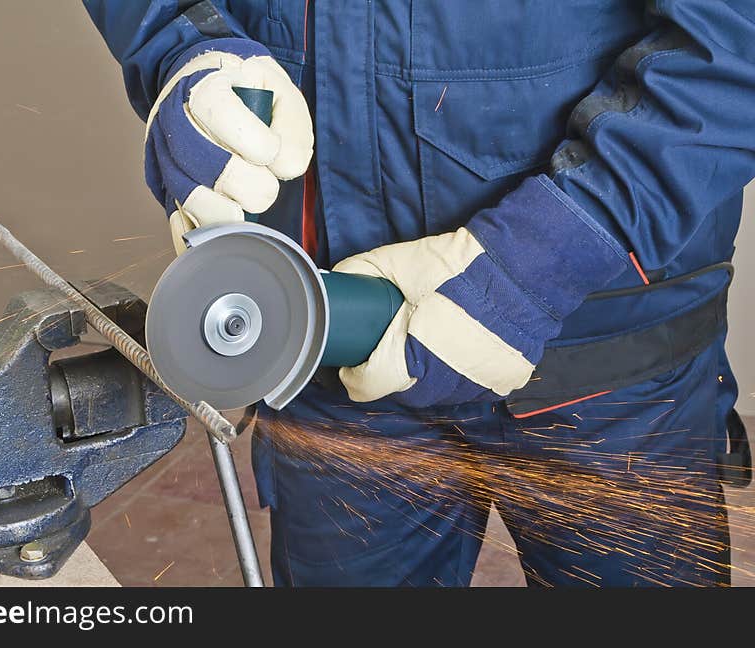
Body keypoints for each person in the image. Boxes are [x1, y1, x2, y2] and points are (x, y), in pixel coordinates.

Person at [84, 1, 755, 586]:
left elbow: (736, 38)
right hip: (332, 332)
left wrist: (538, 262)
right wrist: (183, 44)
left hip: (605, 350)